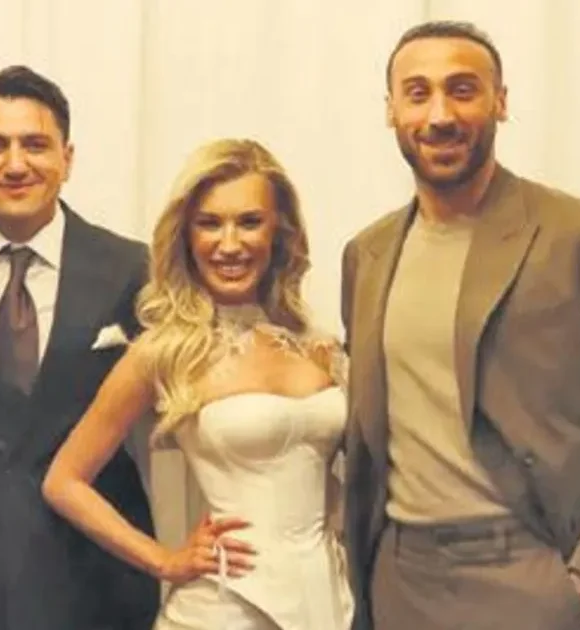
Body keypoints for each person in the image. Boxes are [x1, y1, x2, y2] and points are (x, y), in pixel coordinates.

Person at [339, 20, 580, 630]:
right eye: (418, 93)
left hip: (534, 577)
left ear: (500, 101)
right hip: (402, 582)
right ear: (391, 110)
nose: (439, 116)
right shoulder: (367, 256)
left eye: (462, 90)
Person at [43, 137, 354, 630]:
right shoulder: (164, 351)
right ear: (185, 236)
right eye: (209, 223)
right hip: (221, 610)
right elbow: (64, 481)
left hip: (328, 604)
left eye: (249, 222)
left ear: (279, 230)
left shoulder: (316, 345)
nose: (229, 244)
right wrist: (163, 560)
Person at [0, 65, 158, 630]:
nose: (16, 165)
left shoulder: (134, 269)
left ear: (68, 157)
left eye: (35, 145)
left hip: (97, 584)